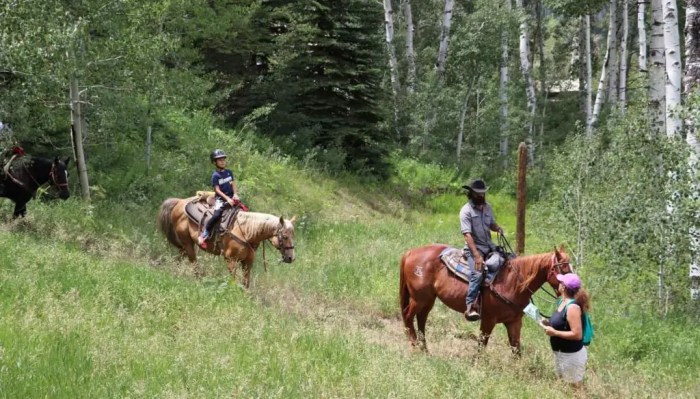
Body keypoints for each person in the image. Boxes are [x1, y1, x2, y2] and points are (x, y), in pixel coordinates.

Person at [459, 179, 503, 321]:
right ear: (471, 194)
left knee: (510, 260)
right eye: (477, 194)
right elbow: (467, 235)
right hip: (474, 249)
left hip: (488, 246)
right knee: (477, 274)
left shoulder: (487, 207)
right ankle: (470, 306)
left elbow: (491, 223)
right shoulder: (466, 211)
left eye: (483, 194)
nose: (481, 196)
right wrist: (477, 256)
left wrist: (496, 228)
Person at [543, 273, 590, 389]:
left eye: (561, 282)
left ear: (563, 287)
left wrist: (554, 333)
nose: (558, 283)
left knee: (575, 390)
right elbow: (562, 324)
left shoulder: (572, 307)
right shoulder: (562, 302)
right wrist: (547, 323)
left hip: (572, 356)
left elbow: (577, 334)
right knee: (565, 388)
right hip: (561, 354)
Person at [198, 149, 239, 248]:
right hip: (221, 200)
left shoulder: (229, 172)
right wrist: (227, 199)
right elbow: (217, 190)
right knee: (216, 215)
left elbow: (233, 184)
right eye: (219, 160)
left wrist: (235, 194)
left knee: (244, 210)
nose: (222, 161)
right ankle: (204, 234)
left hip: (231, 198)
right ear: (214, 162)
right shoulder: (215, 176)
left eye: (223, 159)